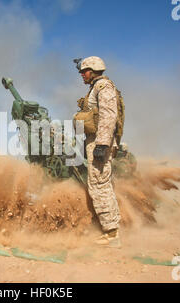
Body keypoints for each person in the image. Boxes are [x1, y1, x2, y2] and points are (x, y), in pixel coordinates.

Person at [75, 56, 122, 247]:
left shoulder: (103, 88)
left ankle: (111, 234)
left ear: (93, 71)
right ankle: (110, 228)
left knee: (100, 185)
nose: (81, 75)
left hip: (100, 143)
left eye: (84, 71)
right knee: (99, 183)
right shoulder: (96, 88)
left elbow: (108, 116)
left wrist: (102, 145)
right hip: (94, 142)